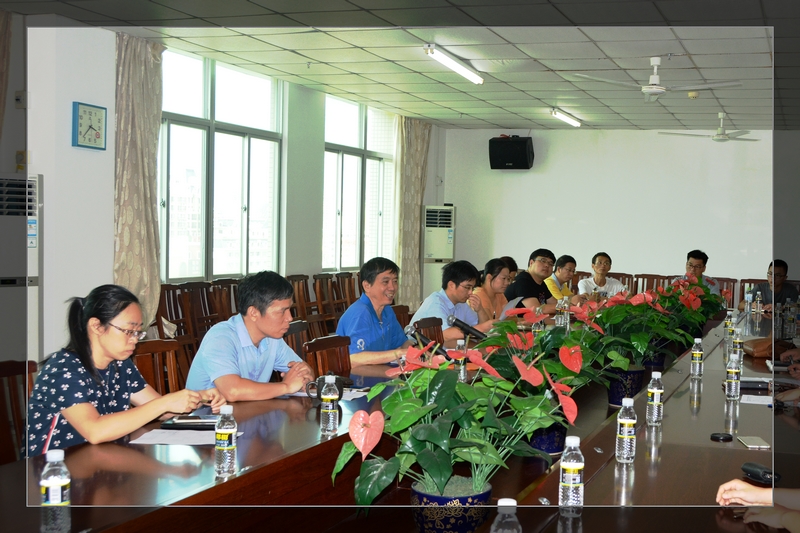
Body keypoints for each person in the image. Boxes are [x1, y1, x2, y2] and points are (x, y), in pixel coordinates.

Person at [27, 285, 225, 456]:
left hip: (103, 459)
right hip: (53, 472)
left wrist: (197, 397)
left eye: (138, 332)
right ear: (96, 326)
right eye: (129, 331)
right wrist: (164, 403)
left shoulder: (120, 364)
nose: (135, 340)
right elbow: (95, 431)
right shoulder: (63, 369)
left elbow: (160, 410)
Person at [185, 271, 315, 402]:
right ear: (253, 313)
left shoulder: (272, 338)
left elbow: (303, 370)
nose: (290, 318)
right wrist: (286, 386)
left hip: (246, 411)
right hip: (206, 413)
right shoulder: (220, 338)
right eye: (282, 311)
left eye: (289, 309)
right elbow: (232, 391)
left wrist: (305, 376)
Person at [335, 257, 412, 366]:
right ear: (367, 286)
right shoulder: (360, 313)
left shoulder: (387, 310)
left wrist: (417, 350)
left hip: (383, 370)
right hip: (359, 375)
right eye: (385, 282)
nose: (392, 287)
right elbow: (354, 358)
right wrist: (399, 353)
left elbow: (402, 343)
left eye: (395, 281)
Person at [410, 260, 494, 342]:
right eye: (467, 287)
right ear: (451, 285)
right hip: (416, 348)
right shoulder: (435, 302)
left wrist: (480, 310)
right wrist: (481, 328)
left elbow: (484, 330)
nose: (470, 292)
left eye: (472, 288)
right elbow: (445, 335)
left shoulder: (461, 304)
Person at [504, 248, 558, 313]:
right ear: (531, 263)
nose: (547, 265)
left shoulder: (540, 283)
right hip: (515, 319)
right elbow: (536, 310)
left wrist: (564, 306)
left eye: (551, 263)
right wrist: (564, 307)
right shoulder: (523, 281)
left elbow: (554, 303)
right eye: (543, 261)